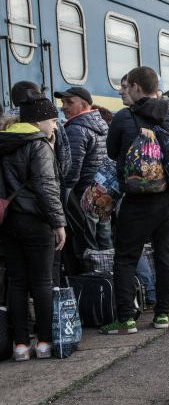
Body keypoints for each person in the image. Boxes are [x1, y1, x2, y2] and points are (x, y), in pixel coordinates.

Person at [104, 66, 169, 333]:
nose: (125, 90)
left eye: (127, 86)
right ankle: (162, 315)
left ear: (137, 86)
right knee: (166, 255)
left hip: (137, 198)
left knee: (126, 257)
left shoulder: (124, 118)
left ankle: (126, 318)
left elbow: (113, 152)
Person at [0, 96, 67, 361]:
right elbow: (46, 187)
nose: (54, 126)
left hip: (7, 223)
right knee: (41, 281)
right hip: (35, 221)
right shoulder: (38, 145)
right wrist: (58, 222)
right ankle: (44, 342)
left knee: (16, 282)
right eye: (52, 120)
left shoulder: (4, 140)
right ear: (38, 120)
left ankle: (19, 345)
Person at [56, 86, 111, 260]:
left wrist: (62, 198)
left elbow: (70, 173)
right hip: (102, 195)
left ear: (85, 104)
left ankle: (91, 283)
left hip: (82, 198)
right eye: (63, 102)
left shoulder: (76, 129)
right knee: (104, 243)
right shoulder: (101, 125)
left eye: (69, 102)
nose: (63, 106)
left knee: (87, 249)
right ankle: (107, 281)